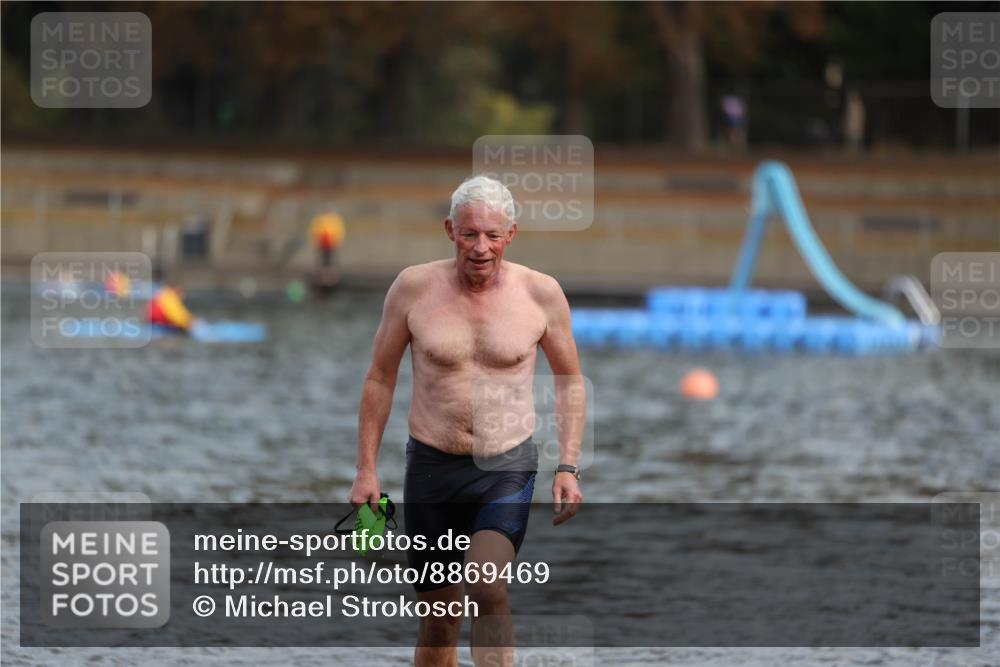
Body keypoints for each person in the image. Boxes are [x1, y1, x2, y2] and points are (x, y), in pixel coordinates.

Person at [349, 175, 586, 667]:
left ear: (511, 235)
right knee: (438, 615)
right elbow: (379, 379)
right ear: (449, 230)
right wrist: (366, 471)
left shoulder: (541, 294)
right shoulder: (413, 288)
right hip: (432, 465)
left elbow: (570, 379)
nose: (481, 247)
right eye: (470, 234)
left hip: (507, 466)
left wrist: (568, 466)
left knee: (484, 582)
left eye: (492, 235)